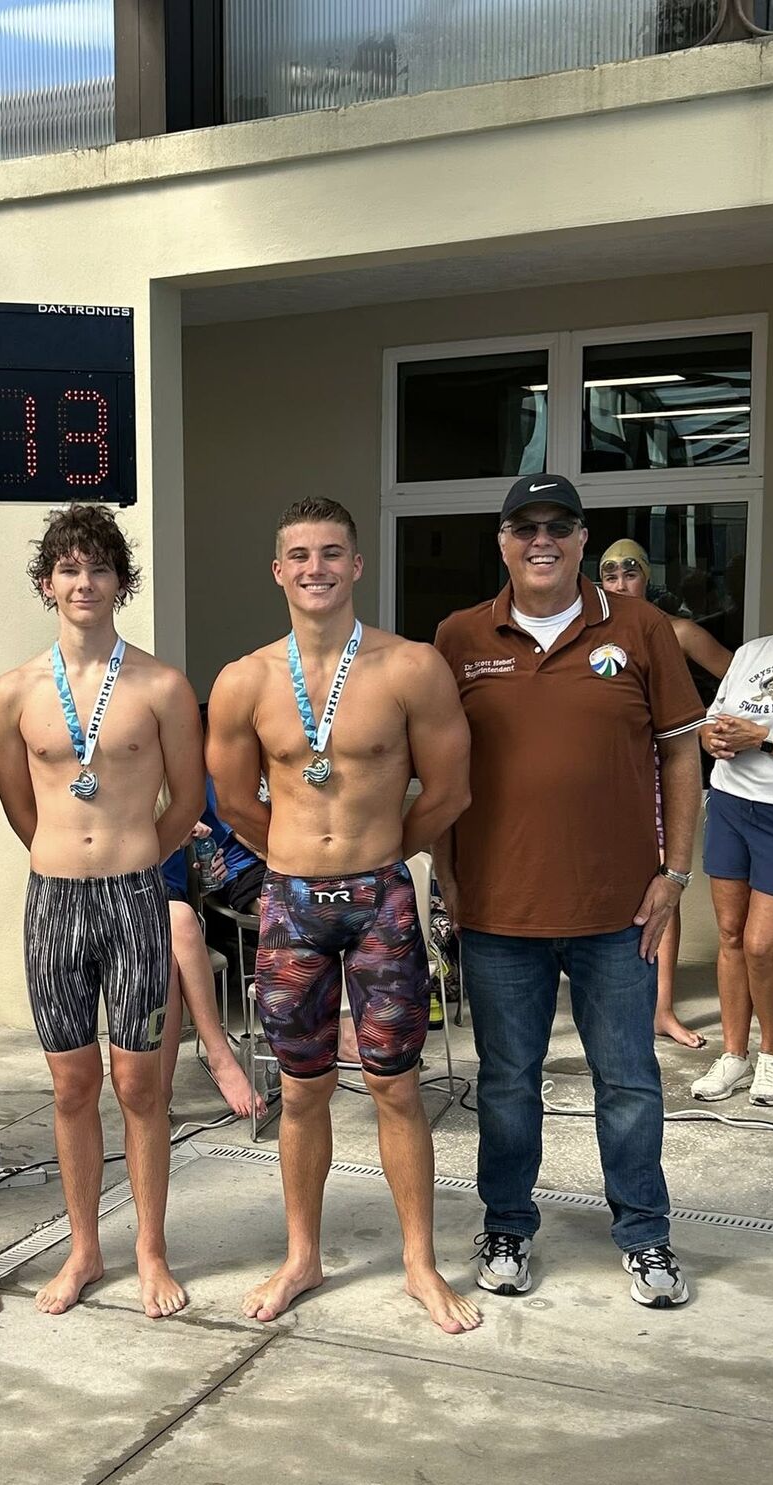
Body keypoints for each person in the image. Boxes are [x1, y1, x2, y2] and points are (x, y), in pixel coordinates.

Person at [207, 495, 479, 1335]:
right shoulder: (245, 679)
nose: (315, 568)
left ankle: (420, 1264)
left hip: (381, 903)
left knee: (398, 1088)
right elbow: (233, 802)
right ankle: (302, 1255)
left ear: (357, 566)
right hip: (291, 904)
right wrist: (298, 854)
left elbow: (450, 790)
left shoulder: (410, 667)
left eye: (332, 553)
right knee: (301, 1091)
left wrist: (379, 849)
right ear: (278, 570)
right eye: (300, 555)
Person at [434, 474, 704, 1310]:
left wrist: (676, 874)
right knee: (508, 1081)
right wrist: (444, 877)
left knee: (627, 1081)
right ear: (503, 540)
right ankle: (508, 1224)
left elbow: (682, 756)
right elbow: (437, 768)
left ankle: (646, 1236)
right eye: (525, 526)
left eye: (559, 525)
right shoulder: (457, 637)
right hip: (499, 910)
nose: (540, 539)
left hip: (614, 908)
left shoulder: (641, 627)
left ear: (584, 539)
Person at [0, 504, 205, 1318]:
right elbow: (18, 804)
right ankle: (84, 1249)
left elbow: (185, 800)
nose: (84, 582)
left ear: (121, 582)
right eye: (69, 569)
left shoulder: (162, 686)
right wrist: (61, 852)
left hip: (134, 897)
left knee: (140, 1083)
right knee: (72, 1084)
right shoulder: (13, 691)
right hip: (53, 901)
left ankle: (150, 1250)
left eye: (100, 568)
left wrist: (133, 853)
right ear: (48, 583)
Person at [692, 540, 773, 1108]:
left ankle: (772, 1055)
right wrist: (710, 735)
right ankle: (734, 1054)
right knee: (732, 937)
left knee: (766, 946)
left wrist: (762, 737)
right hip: (730, 805)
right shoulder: (752, 651)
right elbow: (713, 719)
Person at [600, 538, 732, 1049]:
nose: (619, 581)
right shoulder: (595, 632)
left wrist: (706, 727)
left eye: (629, 571)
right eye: (609, 574)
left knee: (662, 880)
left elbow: (738, 678)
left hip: (660, 769)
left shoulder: (675, 631)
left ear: (646, 578)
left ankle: (661, 1008)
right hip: (606, 773)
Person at [158, 781, 267, 1120]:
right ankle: (220, 1057)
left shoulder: (182, 778)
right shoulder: (119, 771)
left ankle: (157, 1097)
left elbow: (217, 843)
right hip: (121, 891)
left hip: (166, 895)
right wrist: (165, 839)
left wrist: (206, 855)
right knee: (181, 922)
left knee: (172, 951)